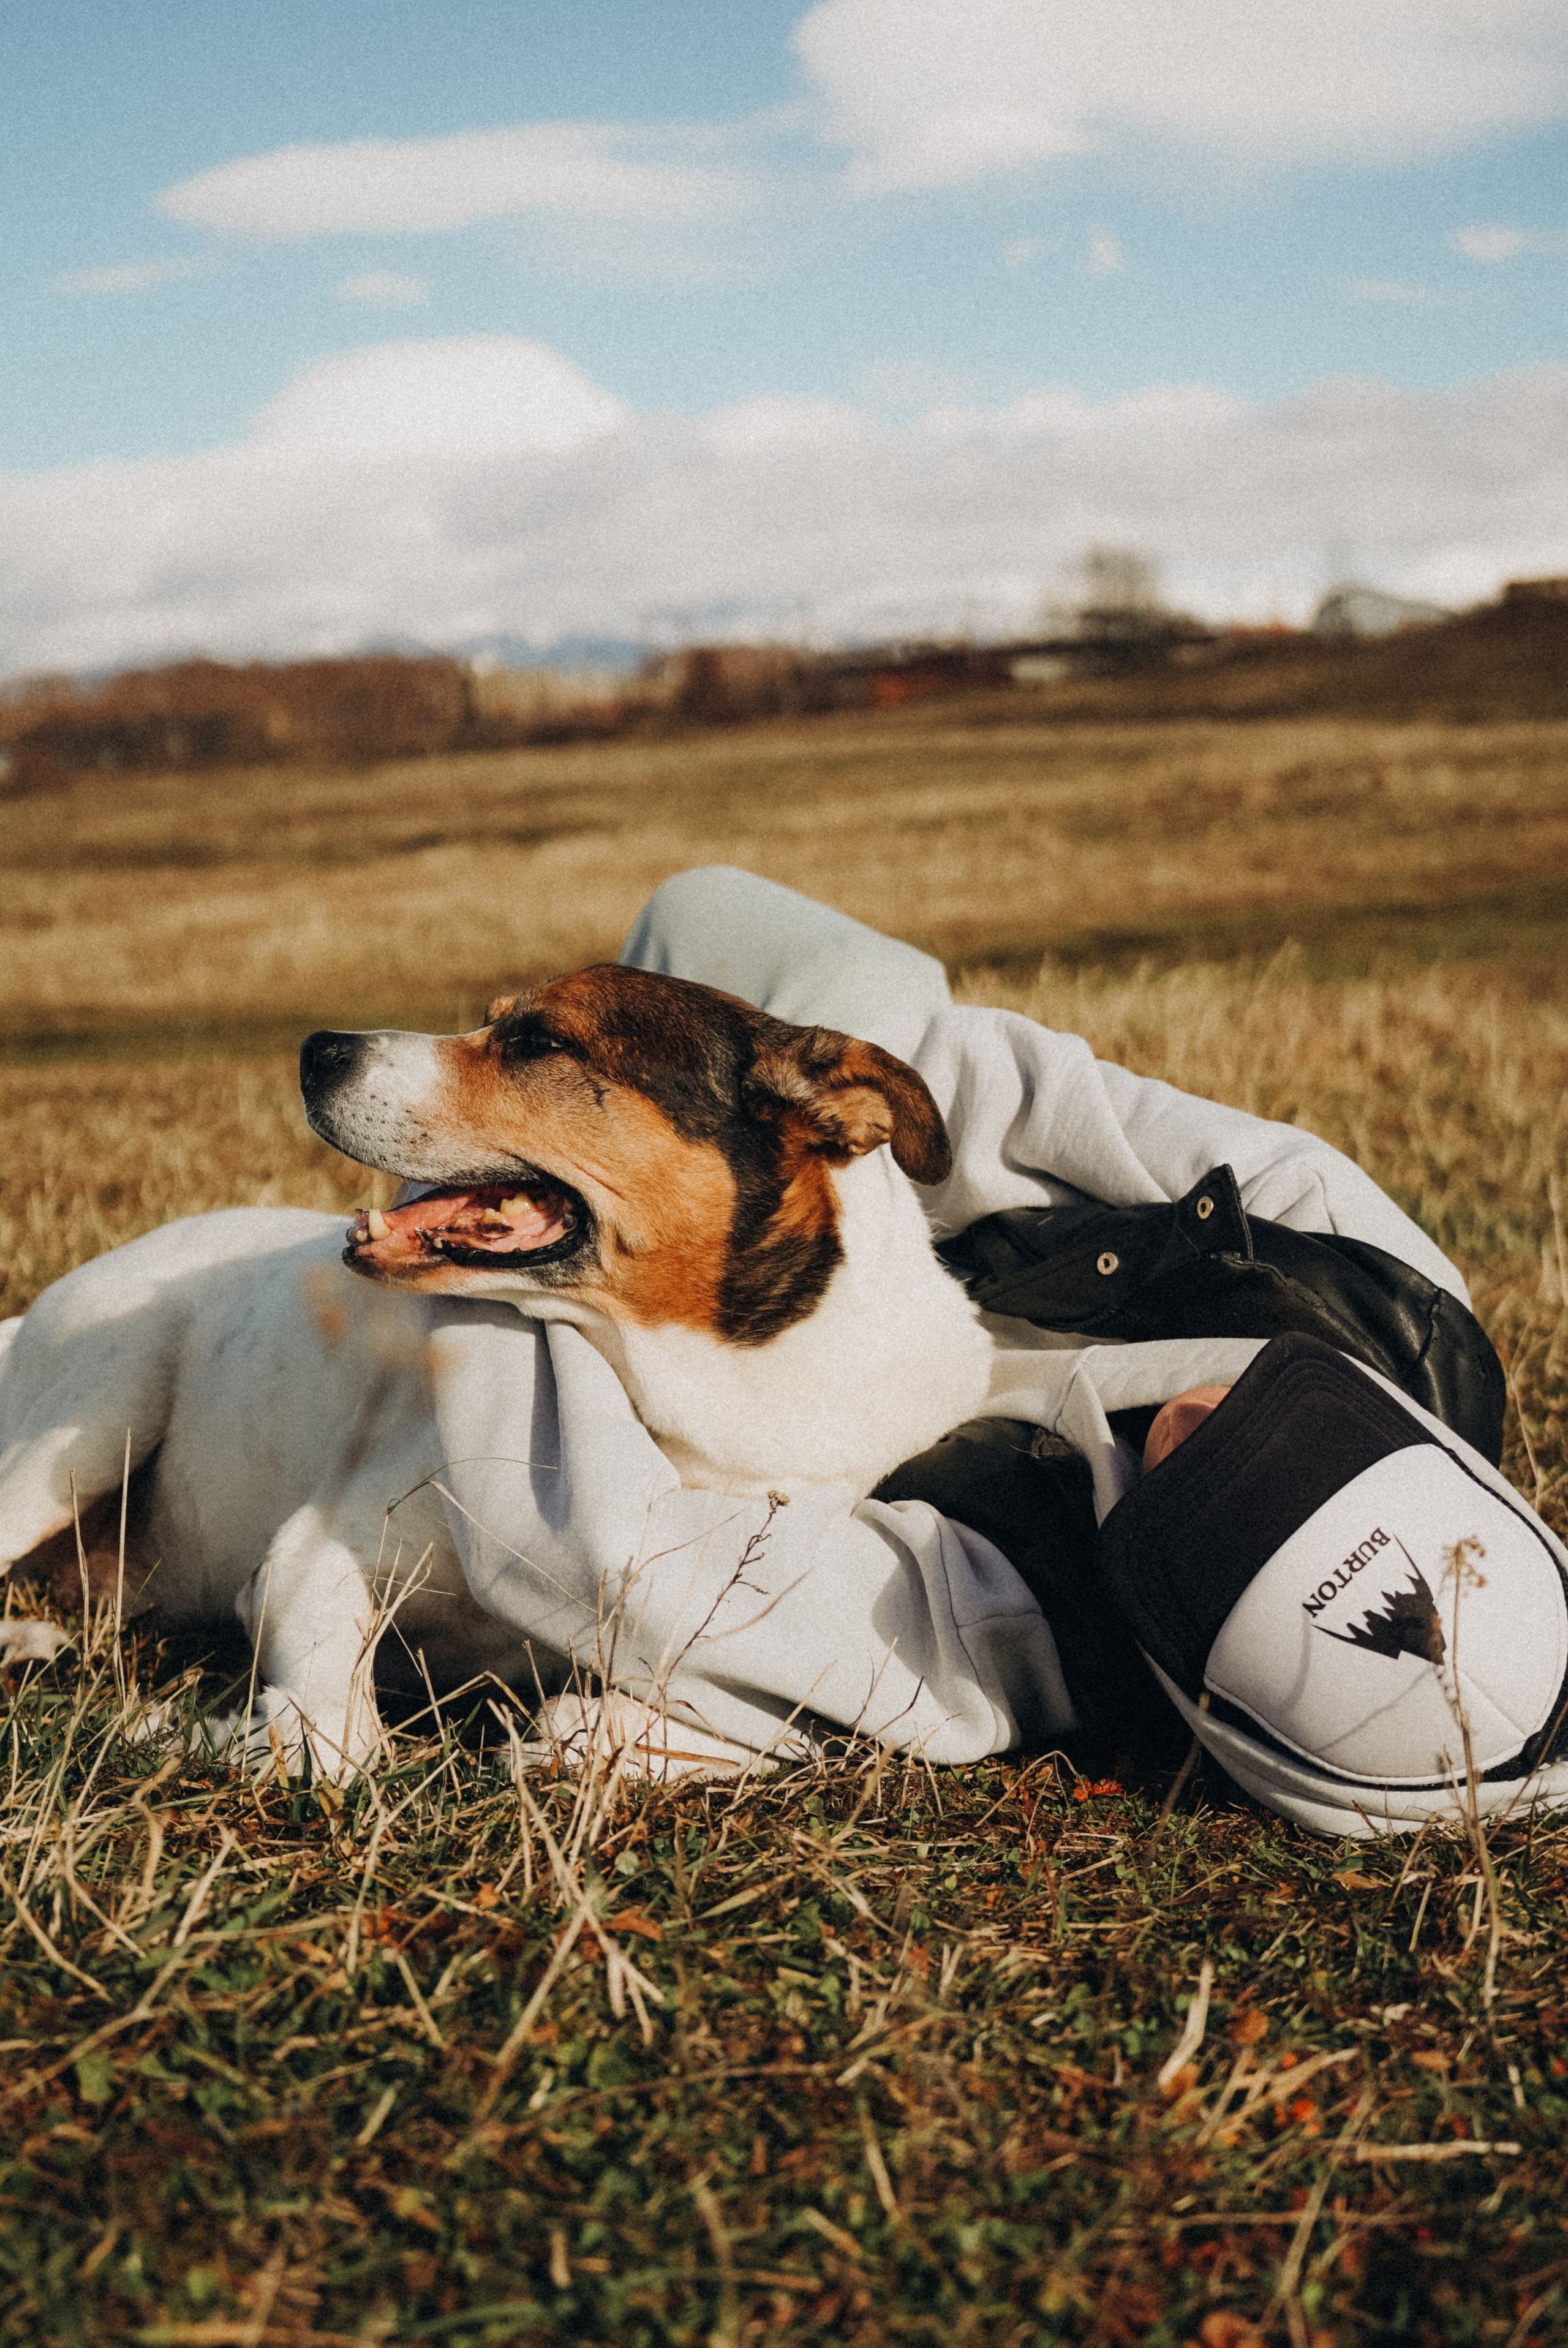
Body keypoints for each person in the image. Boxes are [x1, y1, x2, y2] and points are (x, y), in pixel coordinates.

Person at [440, 867, 1568, 1837]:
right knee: (707, 909)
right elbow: (1013, 1093)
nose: (1194, 1425)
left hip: (740, 1357)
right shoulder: (1373, 1274)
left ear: (1189, 1673)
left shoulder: (1018, 1640)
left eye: (1204, 1523)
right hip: (878, 1183)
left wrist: (501, 1208)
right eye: (1302, 1437)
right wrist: (789, 1136)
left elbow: (599, 1553)